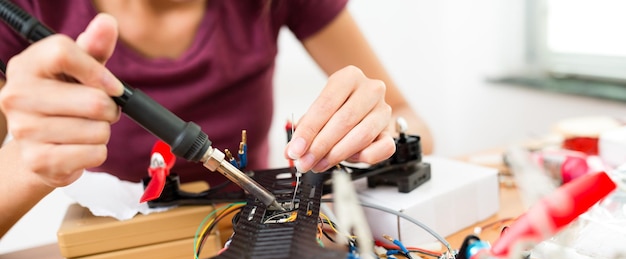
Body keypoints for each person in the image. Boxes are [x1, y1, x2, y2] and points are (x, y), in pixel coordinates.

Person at [0, 0, 433, 238]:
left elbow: (414, 124)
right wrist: (31, 162)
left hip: (251, 234)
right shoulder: (22, 11)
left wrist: (385, 131)